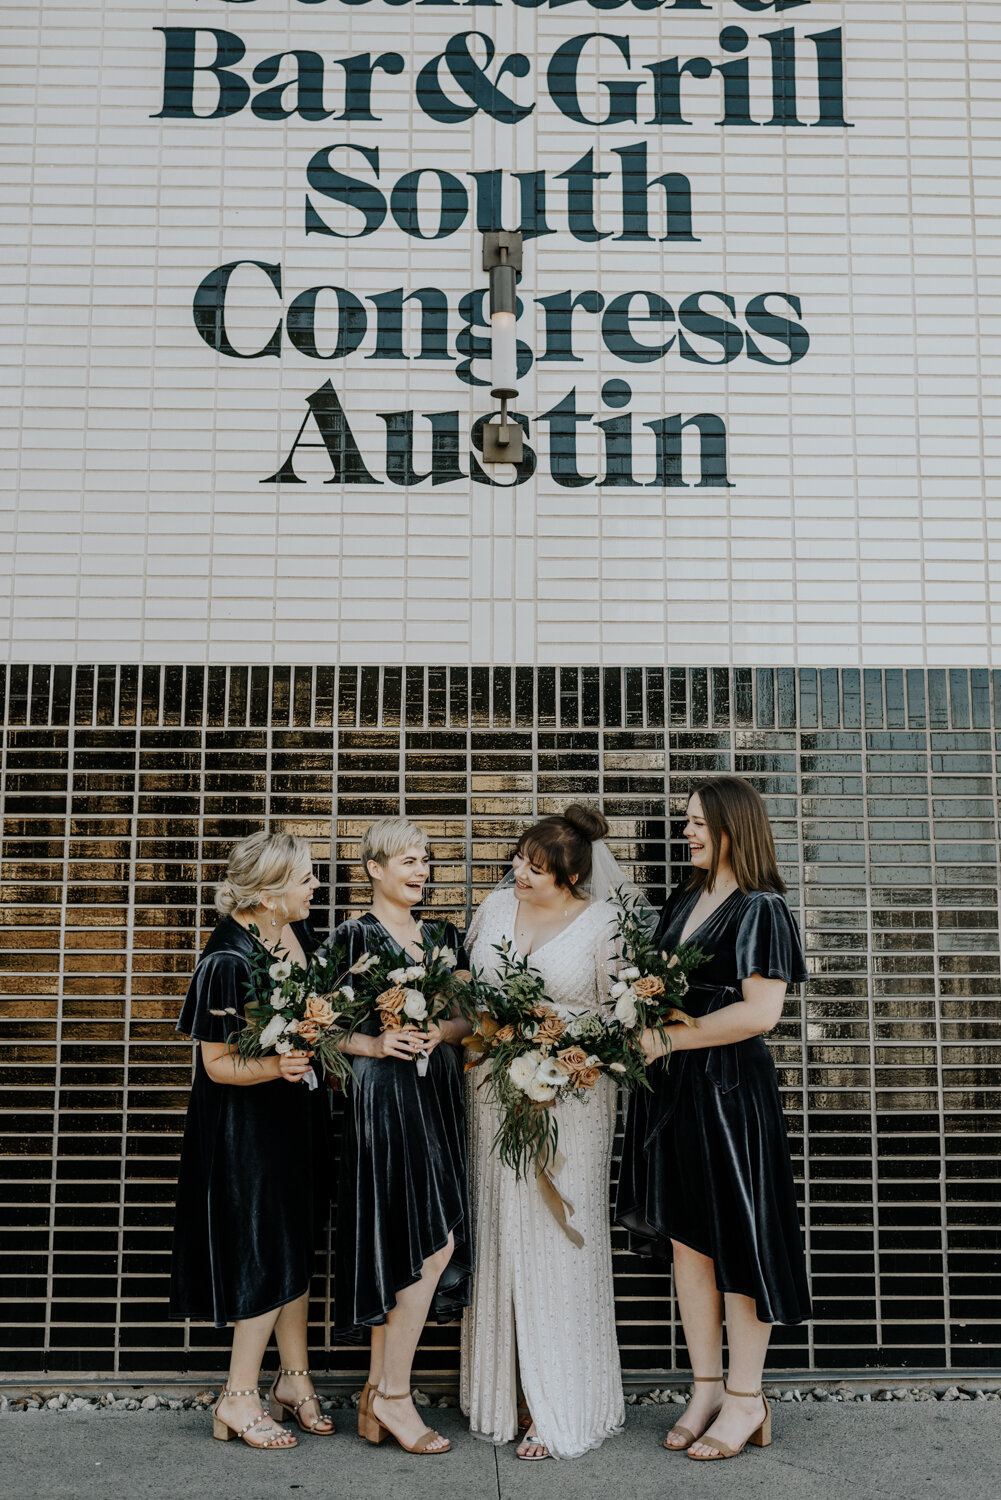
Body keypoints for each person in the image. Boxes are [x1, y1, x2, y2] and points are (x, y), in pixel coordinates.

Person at [616, 776, 812, 1462]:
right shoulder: (684, 899)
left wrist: (668, 1036)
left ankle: (747, 1397)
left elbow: (760, 1013)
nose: (685, 833)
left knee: (737, 1243)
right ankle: (704, 1387)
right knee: (688, 1244)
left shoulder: (762, 908)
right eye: (684, 822)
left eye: (697, 823)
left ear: (733, 826)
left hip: (728, 1094)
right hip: (674, 1090)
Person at [460, 804, 636, 1462]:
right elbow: (467, 995)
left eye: (534, 867)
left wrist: (550, 1024)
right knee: (501, 1230)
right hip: (489, 1093)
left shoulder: (603, 921)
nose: (518, 873)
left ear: (567, 875)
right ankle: (501, 1393)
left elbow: (618, 1018)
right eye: (518, 860)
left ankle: (554, 1398)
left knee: (558, 1239)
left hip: (570, 1100)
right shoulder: (494, 908)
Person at [170, 831, 333, 1450]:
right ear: (267, 894)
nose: (316, 886)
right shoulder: (226, 962)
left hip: (296, 1117)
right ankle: (238, 1396)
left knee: (294, 1245)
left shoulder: (292, 933)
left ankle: (293, 1380)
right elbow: (215, 1064)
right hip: (247, 1131)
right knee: (266, 1252)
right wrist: (276, 1067)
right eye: (306, 879)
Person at [325, 817, 472, 1457]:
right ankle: (393, 1396)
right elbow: (320, 1031)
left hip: (437, 1093)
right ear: (374, 869)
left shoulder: (443, 937)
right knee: (425, 1243)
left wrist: (445, 1032)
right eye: (407, 860)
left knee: (423, 1237)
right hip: (384, 1099)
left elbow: (471, 1016)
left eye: (426, 860)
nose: (420, 871)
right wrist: (376, 1042)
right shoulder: (351, 937)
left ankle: (375, 1395)